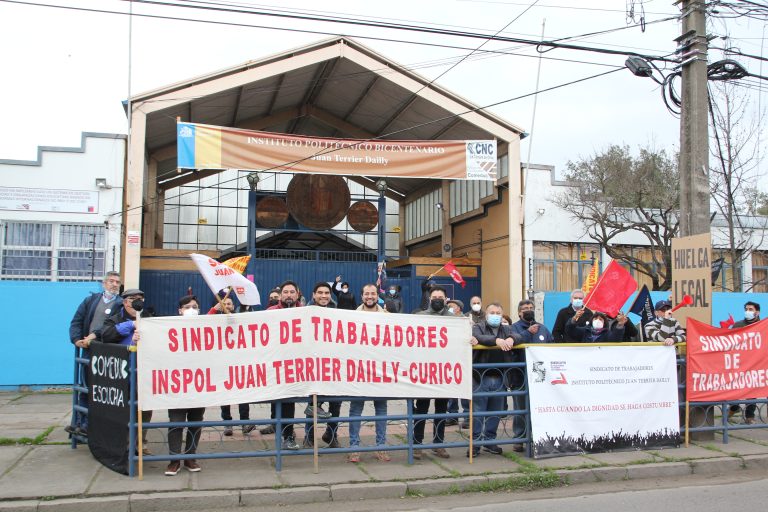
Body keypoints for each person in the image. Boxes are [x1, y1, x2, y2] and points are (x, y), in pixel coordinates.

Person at [66, 271, 122, 437]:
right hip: (88, 350)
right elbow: (77, 321)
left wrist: (93, 336)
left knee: (102, 390)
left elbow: (108, 326)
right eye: (111, 281)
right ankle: (80, 424)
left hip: (107, 351)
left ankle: (93, 426)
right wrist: (76, 339)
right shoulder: (91, 300)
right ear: (104, 283)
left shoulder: (120, 304)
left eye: (117, 282)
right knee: (85, 387)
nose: (114, 284)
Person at [469, 302, 520, 457]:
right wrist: (496, 341)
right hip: (480, 376)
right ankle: (475, 444)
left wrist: (511, 339)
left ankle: (490, 441)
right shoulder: (478, 326)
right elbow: (478, 337)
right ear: (486, 313)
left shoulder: (506, 328)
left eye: (498, 313)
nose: (495, 315)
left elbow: (519, 334)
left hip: (500, 377)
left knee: (495, 412)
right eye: (492, 312)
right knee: (478, 412)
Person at [164, 295, 206, 475]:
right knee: (176, 423)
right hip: (177, 385)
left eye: (195, 306)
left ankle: (190, 457)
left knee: (195, 423)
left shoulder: (206, 329)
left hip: (199, 384)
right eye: (187, 306)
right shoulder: (167, 328)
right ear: (179, 310)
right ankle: (174, 460)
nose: (191, 309)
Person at [348, 283, 390, 463]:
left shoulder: (388, 316)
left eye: (373, 293)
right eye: (367, 294)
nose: (370, 296)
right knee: (356, 410)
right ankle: (354, 447)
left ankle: (381, 447)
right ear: (362, 296)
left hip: (381, 371)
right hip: (359, 371)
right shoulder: (352, 316)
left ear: (377, 296)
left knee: (381, 409)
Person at [413, 286, 453, 459]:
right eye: (434, 296)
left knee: (441, 410)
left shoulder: (455, 319)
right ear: (430, 299)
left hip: (444, 372)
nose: (437, 299)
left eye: (440, 297)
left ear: (446, 299)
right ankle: (416, 444)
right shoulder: (420, 317)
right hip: (424, 371)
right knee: (421, 409)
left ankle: (439, 443)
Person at [509, 300, 553, 451]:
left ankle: (539, 437)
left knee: (540, 408)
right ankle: (520, 438)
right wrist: (528, 333)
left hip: (541, 378)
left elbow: (552, 346)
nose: (528, 310)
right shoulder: (513, 328)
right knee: (521, 408)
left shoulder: (543, 328)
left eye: (531, 308)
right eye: (525, 309)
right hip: (520, 375)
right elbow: (512, 346)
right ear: (519, 312)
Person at [265, 280, 303, 450]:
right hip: (276, 364)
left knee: (290, 402)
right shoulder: (271, 312)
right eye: (285, 292)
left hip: (297, 365)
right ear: (281, 295)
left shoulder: (305, 312)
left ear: (297, 294)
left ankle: (290, 435)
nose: (289, 295)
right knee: (280, 400)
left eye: (292, 292)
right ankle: (282, 430)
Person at [208, 295, 253, 436]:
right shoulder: (215, 320)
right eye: (224, 304)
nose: (227, 306)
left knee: (243, 396)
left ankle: (245, 423)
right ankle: (227, 423)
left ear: (234, 306)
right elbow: (204, 322)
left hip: (239, 364)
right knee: (225, 396)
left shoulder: (240, 319)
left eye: (229, 303)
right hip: (222, 365)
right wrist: (214, 309)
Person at [304, 282, 339, 448]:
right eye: (320, 293)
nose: (323, 296)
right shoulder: (305, 313)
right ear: (313, 295)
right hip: (313, 368)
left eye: (327, 293)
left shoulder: (338, 313)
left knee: (335, 404)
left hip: (333, 367)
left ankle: (331, 435)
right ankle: (309, 437)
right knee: (313, 406)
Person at [729, 301, 762, 424]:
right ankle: (733, 409)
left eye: (751, 309)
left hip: (757, 363)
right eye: (746, 309)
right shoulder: (738, 325)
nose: (748, 311)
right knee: (736, 390)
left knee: (753, 390)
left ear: (757, 312)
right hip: (740, 363)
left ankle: (749, 416)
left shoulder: (763, 325)